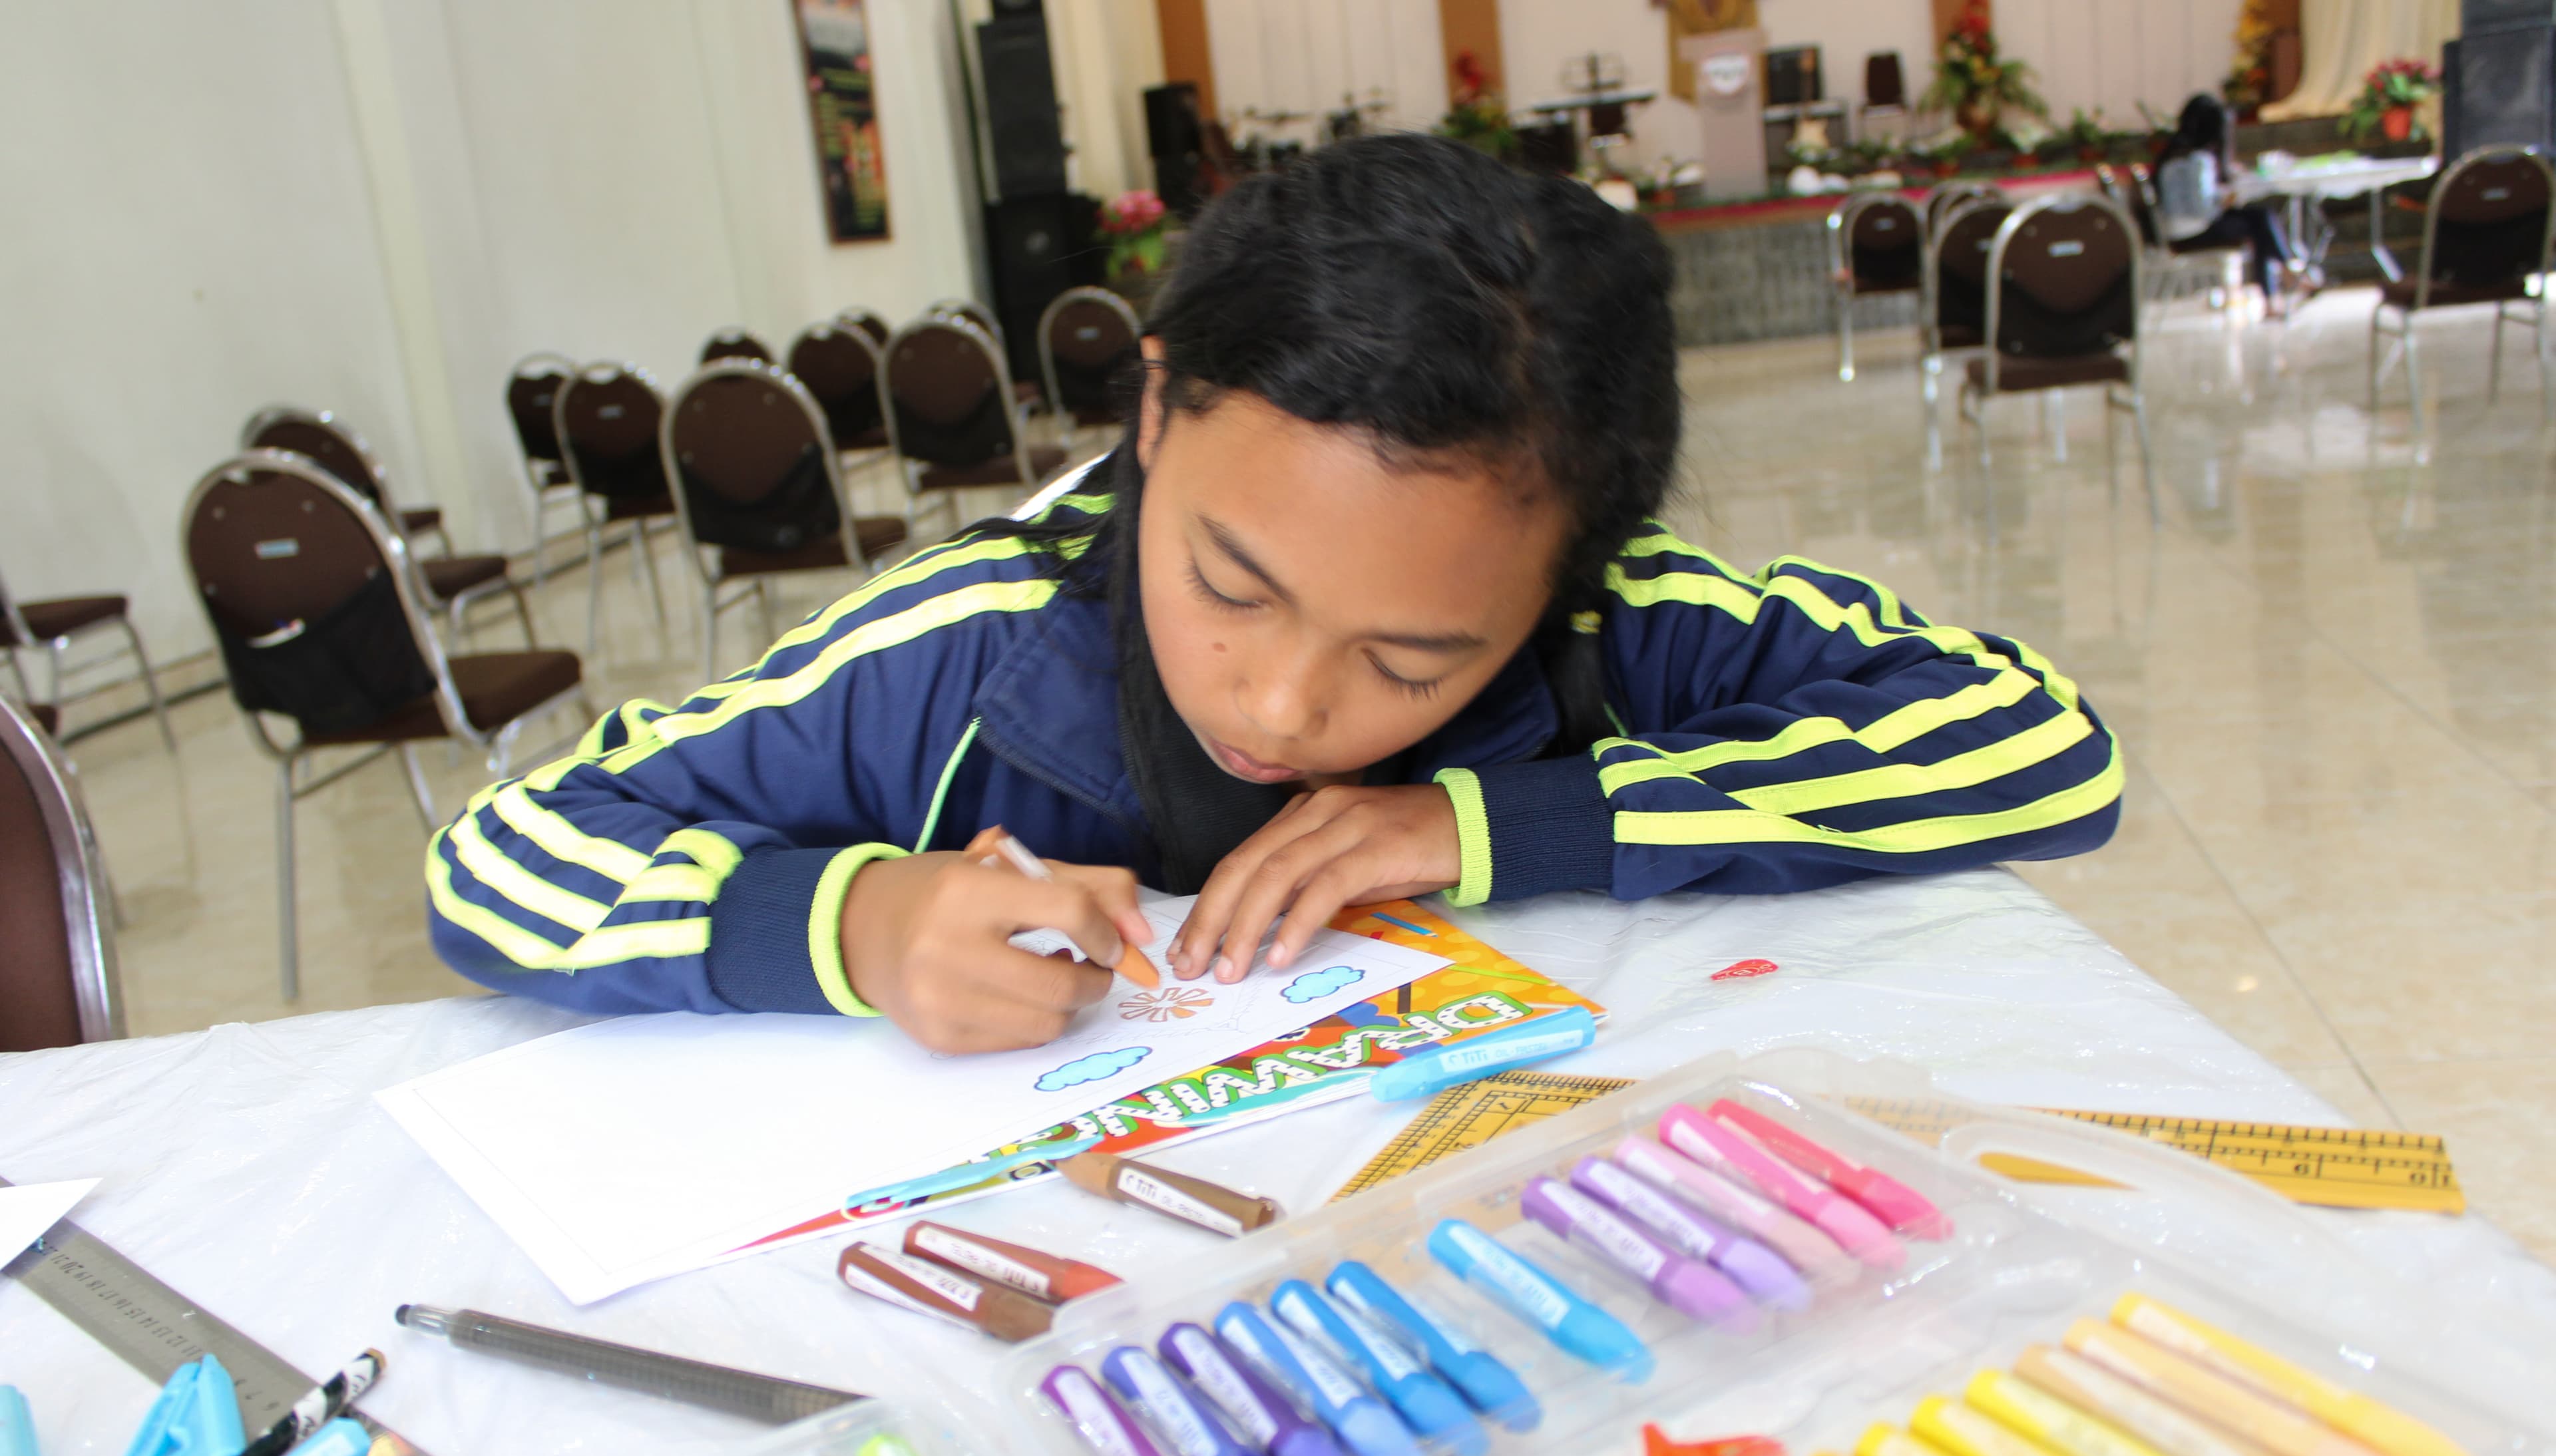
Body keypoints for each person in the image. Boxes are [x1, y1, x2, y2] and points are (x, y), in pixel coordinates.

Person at [425, 135, 2121, 1053]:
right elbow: (500, 855)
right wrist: (856, 925)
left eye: (1414, 656)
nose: (1285, 706)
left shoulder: (1612, 627)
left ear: (1557, 575)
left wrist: (1485, 822)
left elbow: (2038, 739)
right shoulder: (953, 662)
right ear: (1155, 411)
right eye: (1229, 581)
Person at [2153, 92, 2313, 306]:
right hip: (2192, 231)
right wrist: (2227, 199)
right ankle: (2284, 278)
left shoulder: (2172, 155)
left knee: (2259, 219)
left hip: (2176, 228)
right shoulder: (2198, 160)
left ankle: (2285, 277)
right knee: (2259, 224)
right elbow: (2202, 209)